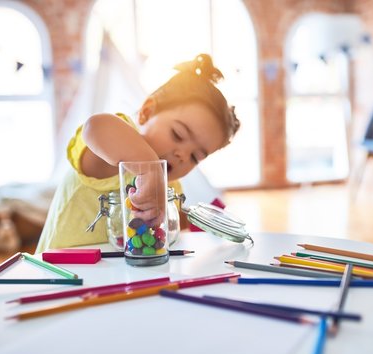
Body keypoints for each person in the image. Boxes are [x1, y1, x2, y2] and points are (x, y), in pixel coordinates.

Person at [35, 54, 240, 253]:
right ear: (147, 112)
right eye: (177, 134)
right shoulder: (111, 150)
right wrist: (151, 170)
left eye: (196, 157)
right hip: (59, 275)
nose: (183, 155)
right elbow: (95, 127)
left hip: (115, 282)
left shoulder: (168, 187)